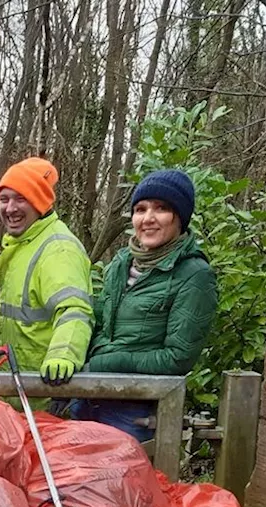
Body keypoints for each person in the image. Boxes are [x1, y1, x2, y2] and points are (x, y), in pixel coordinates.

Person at [73, 169, 217, 441]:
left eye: (161, 208)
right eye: (140, 209)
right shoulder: (120, 262)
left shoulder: (194, 274)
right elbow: (102, 325)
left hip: (135, 410)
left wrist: (103, 364)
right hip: (88, 397)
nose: (148, 219)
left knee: (122, 483)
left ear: (180, 217)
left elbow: (177, 357)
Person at [0, 157, 93, 407]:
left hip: (44, 394)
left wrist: (63, 355)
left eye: (21, 199)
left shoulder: (57, 249)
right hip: (16, 391)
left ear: (40, 203)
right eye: (4, 199)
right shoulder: (23, 245)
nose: (10, 208)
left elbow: (74, 309)